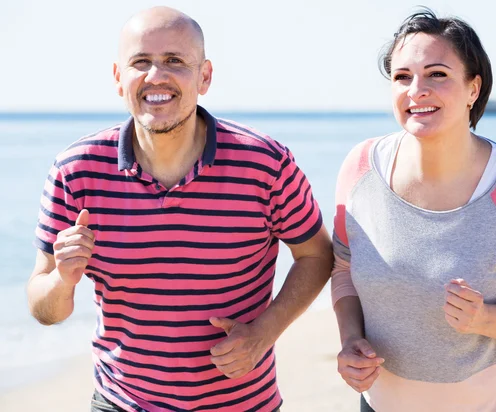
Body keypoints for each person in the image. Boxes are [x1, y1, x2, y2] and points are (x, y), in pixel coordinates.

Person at [27, 6, 332, 412]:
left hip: (243, 404)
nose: (156, 76)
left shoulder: (265, 164)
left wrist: (265, 331)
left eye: (174, 61)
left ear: (204, 77)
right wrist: (63, 281)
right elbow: (44, 309)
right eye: (141, 62)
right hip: (121, 401)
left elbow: (316, 254)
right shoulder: (75, 171)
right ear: (119, 79)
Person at [331, 9, 496, 412]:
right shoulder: (359, 170)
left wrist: (484, 320)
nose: (416, 90)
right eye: (403, 77)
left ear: (473, 89)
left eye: (437, 74)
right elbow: (343, 269)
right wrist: (350, 339)